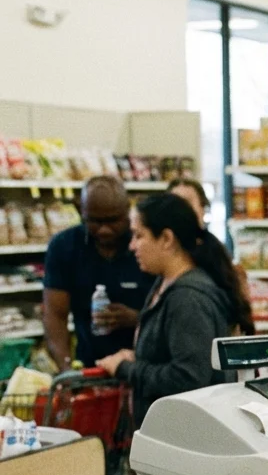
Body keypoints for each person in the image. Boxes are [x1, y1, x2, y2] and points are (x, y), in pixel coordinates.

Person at [94, 194, 253, 425]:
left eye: (139, 235)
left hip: (186, 438)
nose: (132, 246)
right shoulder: (165, 283)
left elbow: (188, 378)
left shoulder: (188, 298)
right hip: (168, 433)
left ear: (167, 238)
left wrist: (127, 368)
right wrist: (140, 357)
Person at [42, 176, 156, 370]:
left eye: (113, 221)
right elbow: (55, 314)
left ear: (127, 210)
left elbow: (173, 313)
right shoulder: (64, 246)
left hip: (145, 365)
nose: (104, 230)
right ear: (81, 211)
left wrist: (137, 318)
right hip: (89, 364)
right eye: (94, 221)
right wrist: (66, 367)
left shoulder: (146, 244)